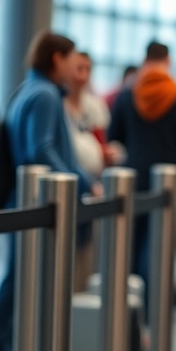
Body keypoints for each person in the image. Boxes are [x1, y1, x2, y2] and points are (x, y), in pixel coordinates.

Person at [0, 30, 98, 351]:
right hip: (37, 200)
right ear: (57, 58)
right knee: (21, 277)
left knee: (18, 276)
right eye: (73, 61)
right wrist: (79, 184)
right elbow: (40, 149)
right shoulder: (44, 95)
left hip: (23, 198)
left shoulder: (27, 90)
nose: (75, 71)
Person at [108, 40, 176, 313]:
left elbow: (115, 135)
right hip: (170, 184)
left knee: (131, 244)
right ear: (168, 61)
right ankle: (155, 304)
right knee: (161, 245)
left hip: (133, 180)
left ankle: (129, 303)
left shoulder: (128, 95)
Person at [63, 51, 119, 291]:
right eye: (78, 68)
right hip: (66, 188)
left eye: (87, 69)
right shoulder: (57, 103)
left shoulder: (94, 106)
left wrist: (105, 156)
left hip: (91, 187)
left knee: (86, 255)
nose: (82, 75)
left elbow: (101, 142)